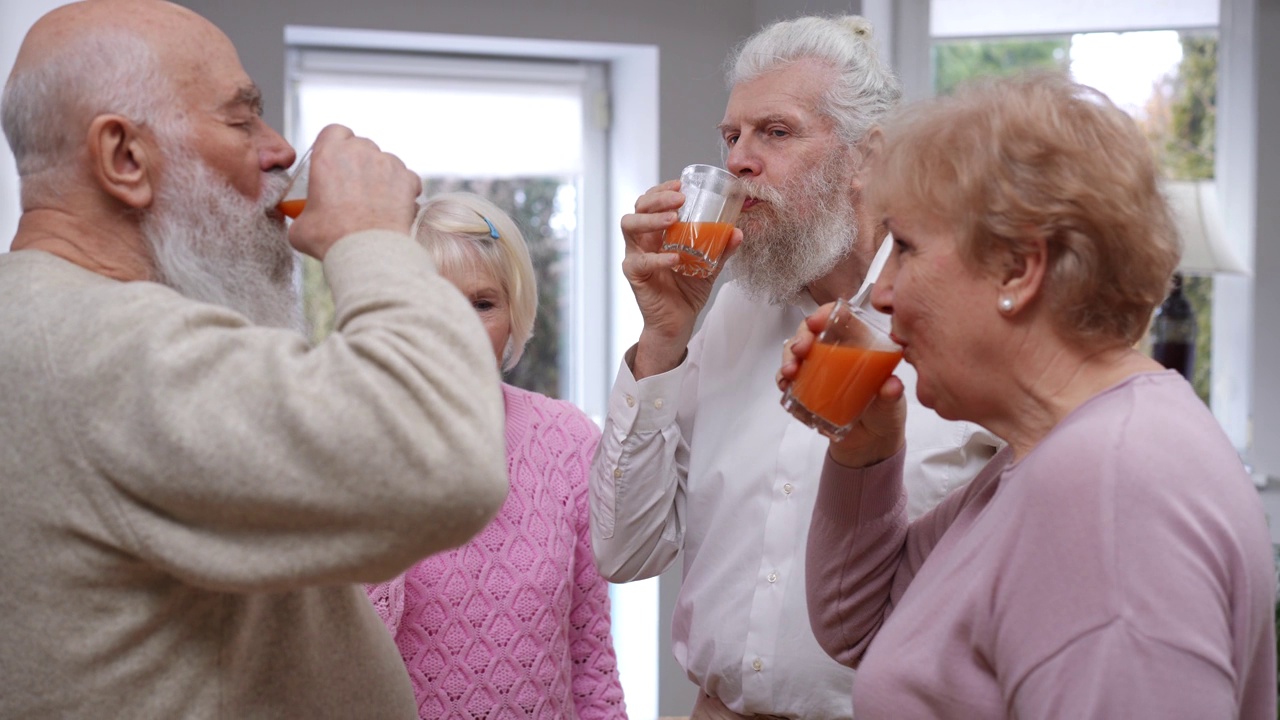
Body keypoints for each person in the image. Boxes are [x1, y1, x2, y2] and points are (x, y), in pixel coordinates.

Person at [0, 2, 509, 717]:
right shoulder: (97, 347)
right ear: (123, 157)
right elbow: (444, 459)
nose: (280, 149)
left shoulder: (58, 323)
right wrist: (372, 238)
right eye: (242, 121)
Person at [788, 73, 1276, 718]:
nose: (882, 293)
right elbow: (863, 623)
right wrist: (866, 449)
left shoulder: (1109, 486)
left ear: (1019, 268)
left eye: (904, 247)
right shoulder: (1046, 451)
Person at [588, 15, 1000, 719]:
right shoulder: (725, 314)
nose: (739, 161)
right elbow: (624, 551)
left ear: (868, 158)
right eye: (731, 137)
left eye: (774, 133)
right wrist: (661, 339)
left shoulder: (966, 326)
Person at [365, 192, 628, 719]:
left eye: (483, 304)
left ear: (514, 314)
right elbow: (344, 656)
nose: (460, 326)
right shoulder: (359, 443)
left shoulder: (567, 439)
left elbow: (591, 655)